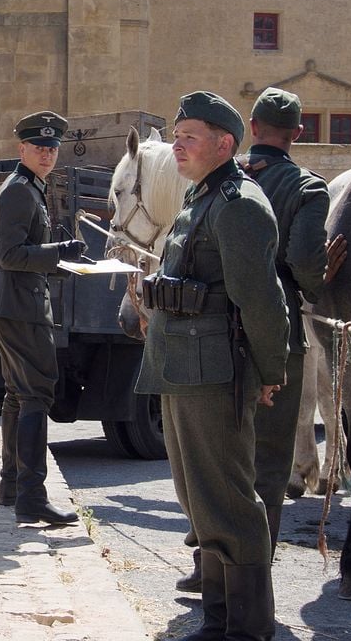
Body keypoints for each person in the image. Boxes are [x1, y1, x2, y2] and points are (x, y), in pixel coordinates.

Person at [136, 91, 289, 641]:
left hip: (214, 373)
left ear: (224, 144)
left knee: (227, 497)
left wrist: (270, 372)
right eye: (176, 136)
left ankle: (248, 627)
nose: (177, 145)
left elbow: (263, 301)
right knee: (198, 496)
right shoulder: (201, 197)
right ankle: (220, 617)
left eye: (189, 137)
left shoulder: (238, 204)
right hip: (182, 367)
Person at [0, 111, 85, 525]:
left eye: (53, 148)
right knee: (36, 394)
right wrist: (58, 254)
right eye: (39, 147)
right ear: (22, 149)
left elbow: (27, 253)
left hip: (15, 302)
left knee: (18, 395)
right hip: (19, 305)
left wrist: (66, 257)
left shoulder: (30, 188)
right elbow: (8, 255)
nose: (47, 154)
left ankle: (12, 487)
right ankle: (32, 497)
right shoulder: (20, 191)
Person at [240, 88, 335, 559]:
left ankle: (208, 559)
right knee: (271, 459)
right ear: (298, 134)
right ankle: (254, 566)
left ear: (252, 127)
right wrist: (320, 283)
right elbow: (304, 261)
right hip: (278, 333)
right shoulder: (308, 188)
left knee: (219, 451)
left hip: (214, 331)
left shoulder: (221, 178)